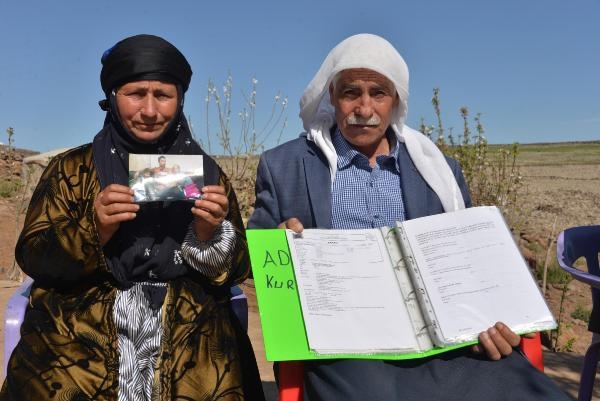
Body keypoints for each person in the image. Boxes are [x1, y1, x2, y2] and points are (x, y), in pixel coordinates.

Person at [248, 33, 568, 400]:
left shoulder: (438, 171)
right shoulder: (285, 165)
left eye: (378, 93)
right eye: (352, 92)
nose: (364, 108)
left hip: (446, 343)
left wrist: (495, 321)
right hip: (346, 345)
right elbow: (257, 257)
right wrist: (280, 242)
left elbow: (469, 264)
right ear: (332, 96)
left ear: (396, 100)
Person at [1, 34, 265, 401]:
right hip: (79, 333)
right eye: (136, 93)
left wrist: (209, 235)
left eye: (163, 95)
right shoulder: (72, 170)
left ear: (180, 99)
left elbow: (237, 271)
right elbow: (33, 253)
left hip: (190, 335)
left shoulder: (206, 172)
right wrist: (94, 230)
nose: (150, 110)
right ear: (112, 96)